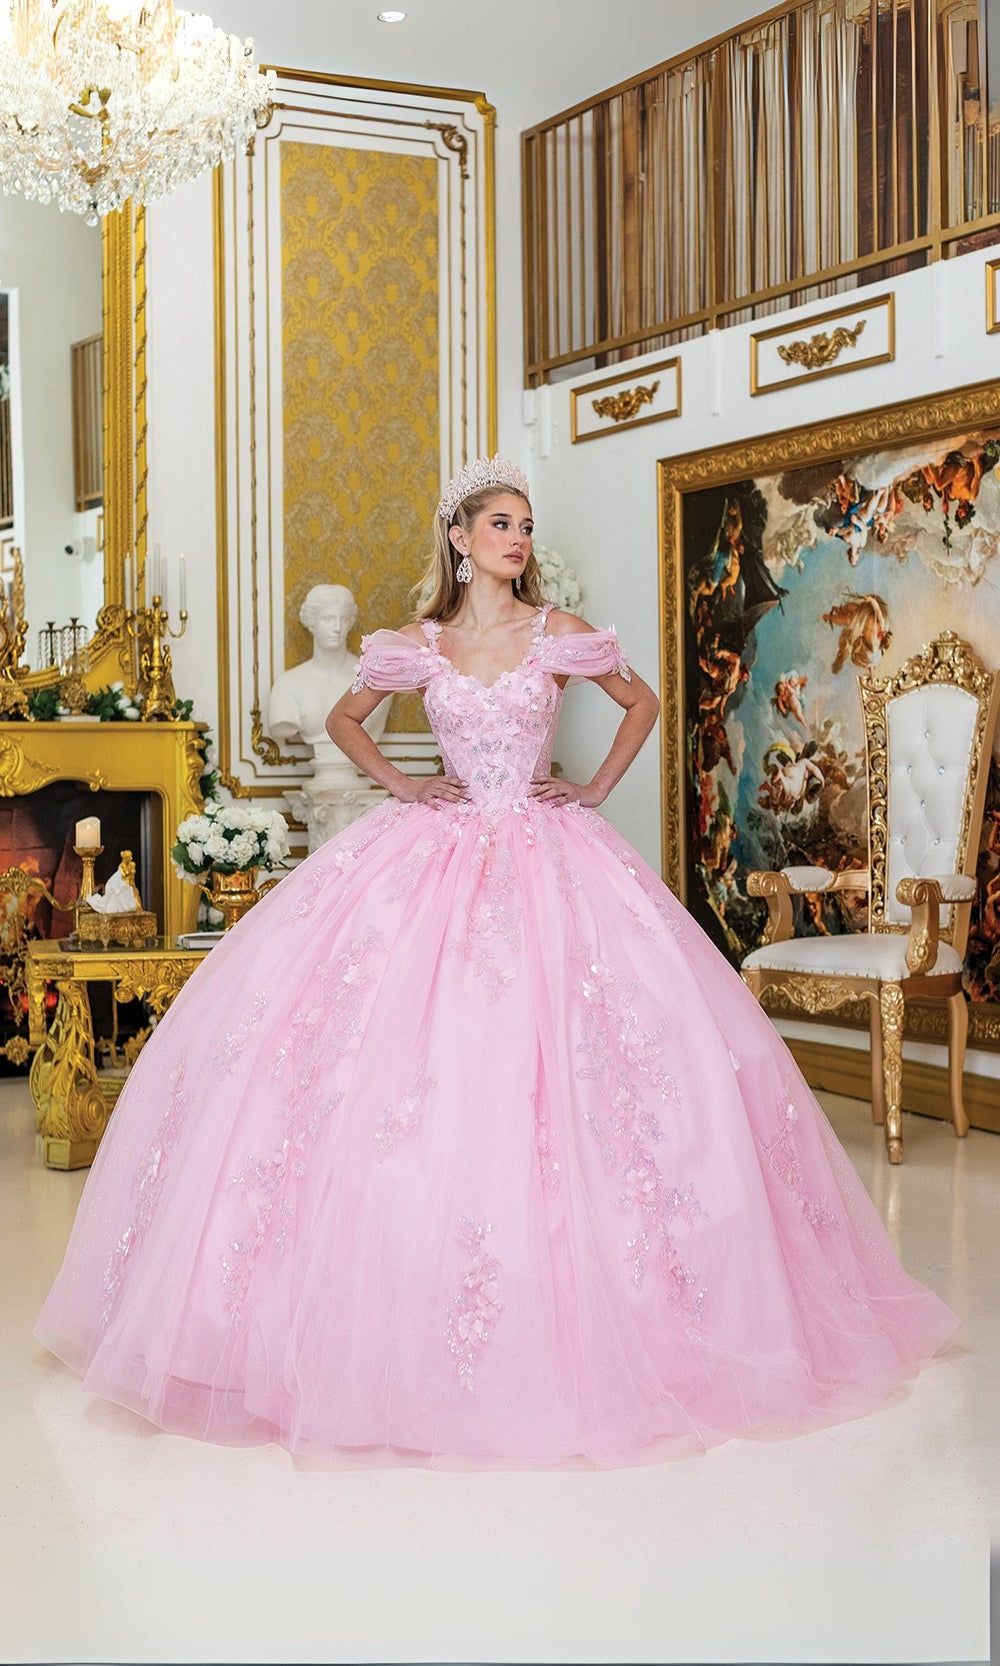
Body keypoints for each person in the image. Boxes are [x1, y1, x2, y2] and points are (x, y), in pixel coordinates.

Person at [35, 456, 957, 1466]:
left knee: (590, 1058)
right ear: (461, 539)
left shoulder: (557, 632)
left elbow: (642, 702)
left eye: (525, 524)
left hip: (549, 850)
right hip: (436, 845)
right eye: (501, 524)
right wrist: (401, 785)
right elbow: (345, 720)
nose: (518, 539)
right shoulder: (416, 644)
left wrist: (593, 787)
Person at [266, 583, 388, 789]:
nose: (338, 628)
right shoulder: (287, 685)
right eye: (328, 619)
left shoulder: (374, 679)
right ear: (311, 623)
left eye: (344, 619)